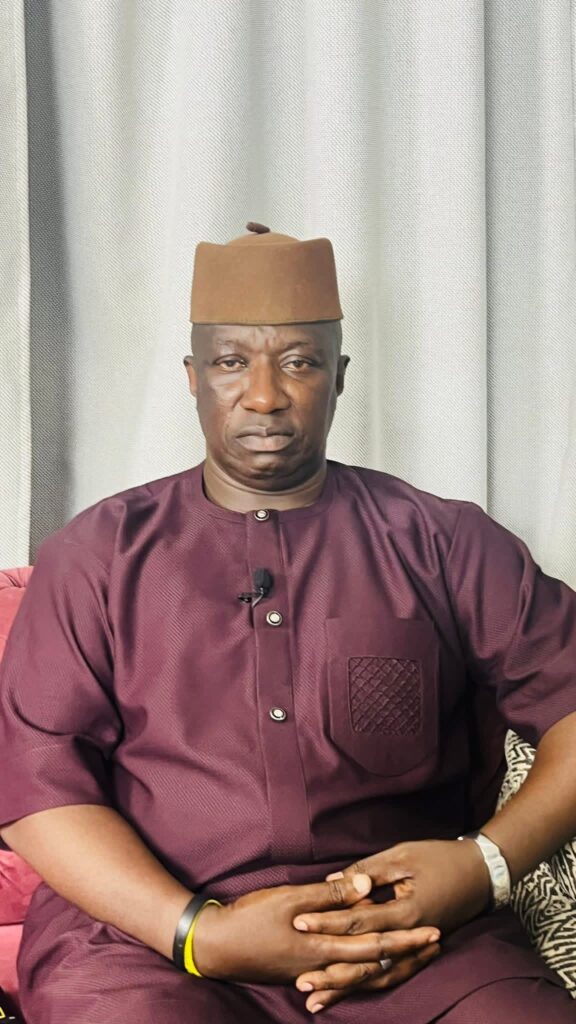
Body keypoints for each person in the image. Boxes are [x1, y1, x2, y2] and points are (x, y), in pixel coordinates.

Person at [1, 222, 575, 1023]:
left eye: (299, 362)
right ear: (193, 377)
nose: (265, 395)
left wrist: (483, 867)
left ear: (339, 378)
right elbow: (36, 787)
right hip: (147, 945)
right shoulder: (96, 556)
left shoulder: (445, 542)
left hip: (413, 938)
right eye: (231, 362)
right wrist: (201, 934)